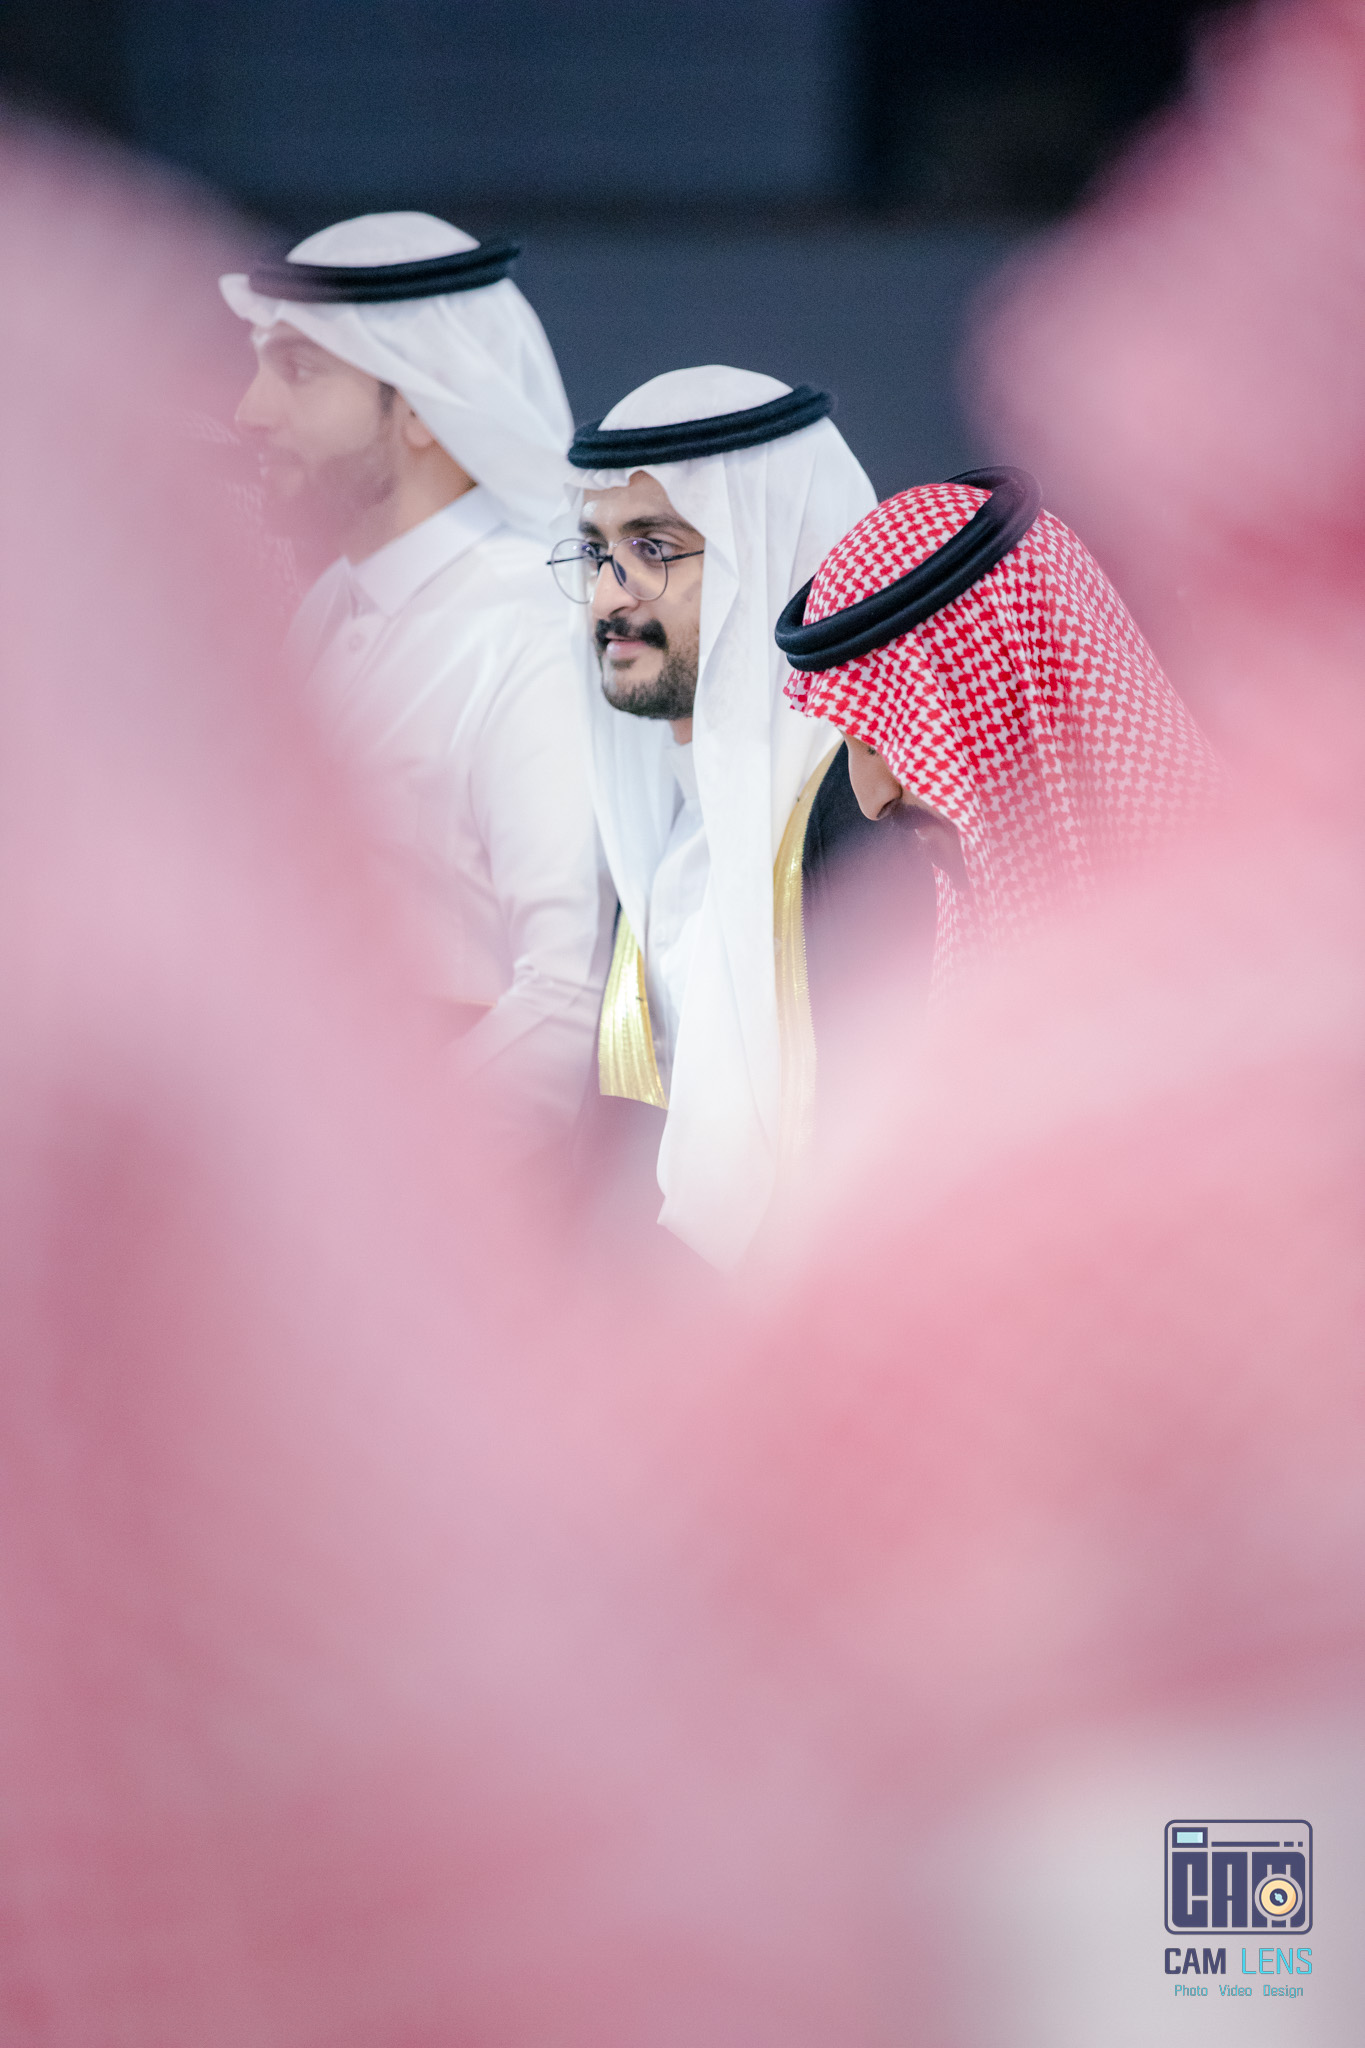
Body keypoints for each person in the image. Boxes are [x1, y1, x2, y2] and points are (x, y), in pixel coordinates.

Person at [220, 213, 612, 1154]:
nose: (249, 413)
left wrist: (372, 1180)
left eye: (298, 371)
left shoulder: (533, 626)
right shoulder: (331, 603)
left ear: (426, 406)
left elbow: (567, 997)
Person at [552, 366, 932, 1267]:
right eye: (596, 553)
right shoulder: (667, 834)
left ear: (770, 556)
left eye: (653, 548)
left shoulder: (871, 825)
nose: (608, 598)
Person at [778, 468, 1219, 988]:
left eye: (883, 739)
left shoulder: (1226, 911)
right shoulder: (944, 945)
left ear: (1003, 689)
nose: (871, 799)